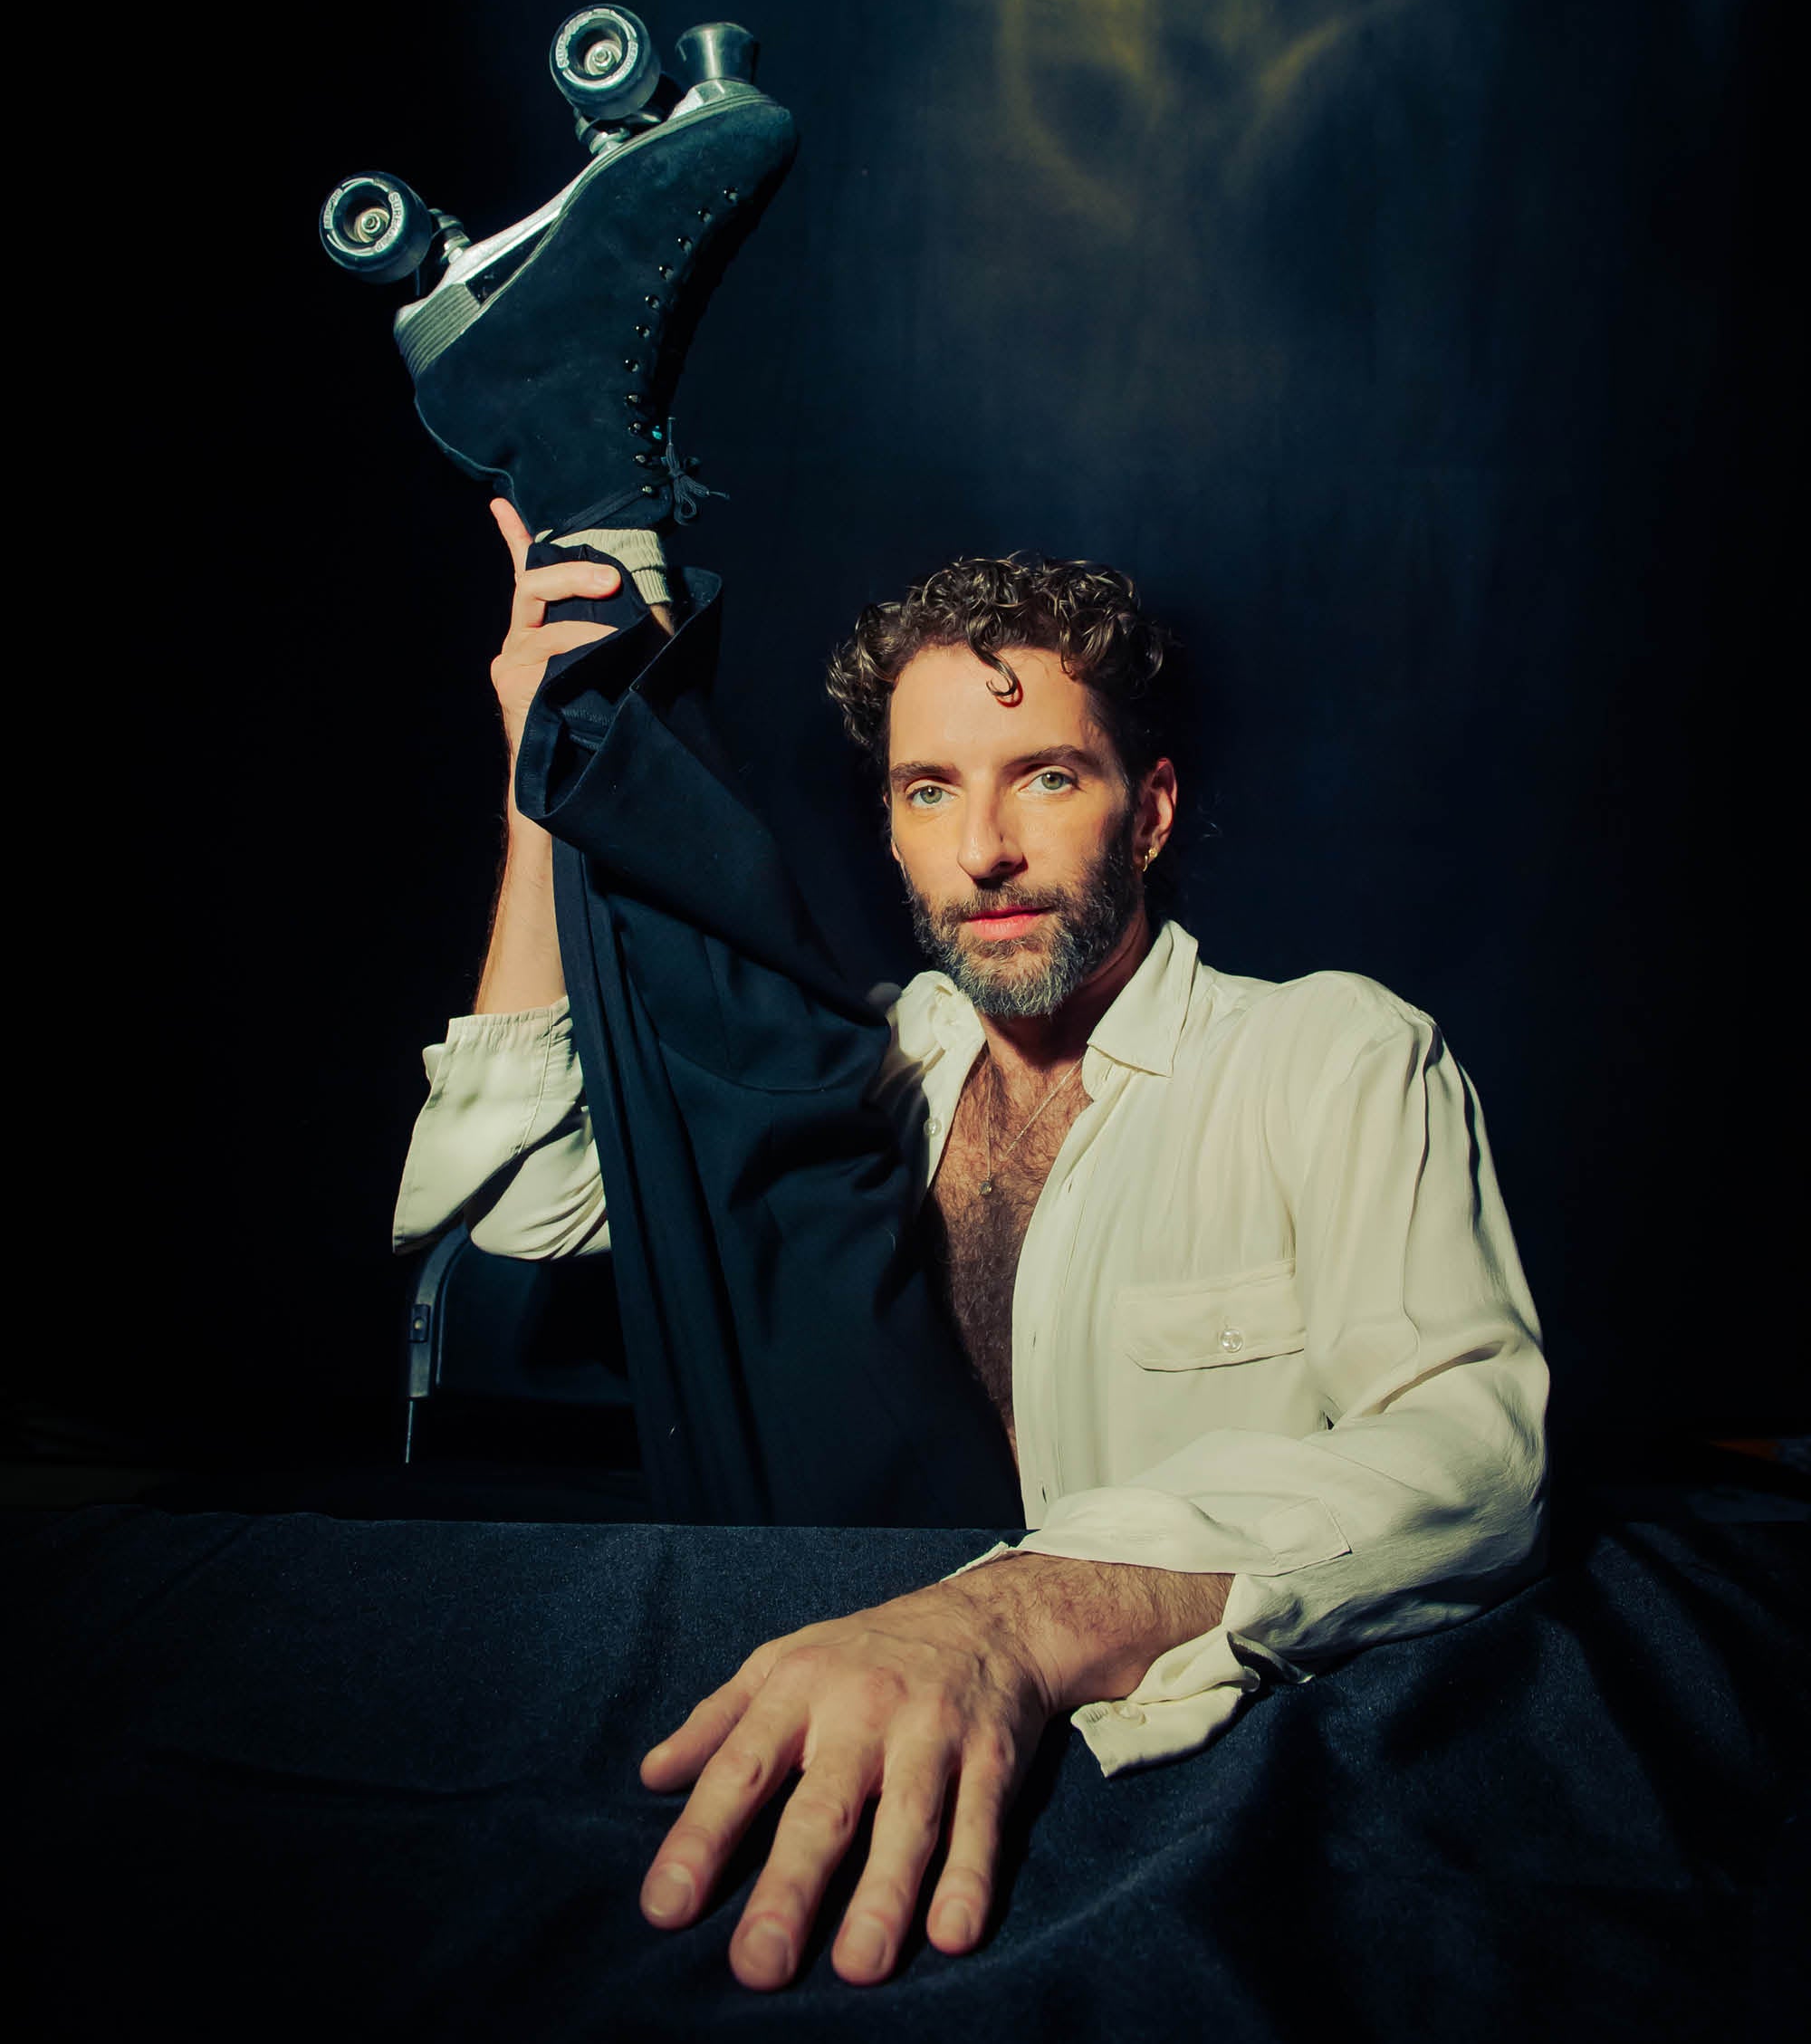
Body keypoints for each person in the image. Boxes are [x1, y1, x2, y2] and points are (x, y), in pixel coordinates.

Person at [395, 520, 1548, 1993]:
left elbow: (1476, 1451)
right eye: (930, 791)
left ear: (1150, 810)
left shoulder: (1329, 1055)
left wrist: (1008, 1619)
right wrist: (546, 777)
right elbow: (521, 1200)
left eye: (1048, 778)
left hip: (1197, 1829)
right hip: (862, 1802)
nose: (986, 850)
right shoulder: (857, 1079)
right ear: (888, 826)